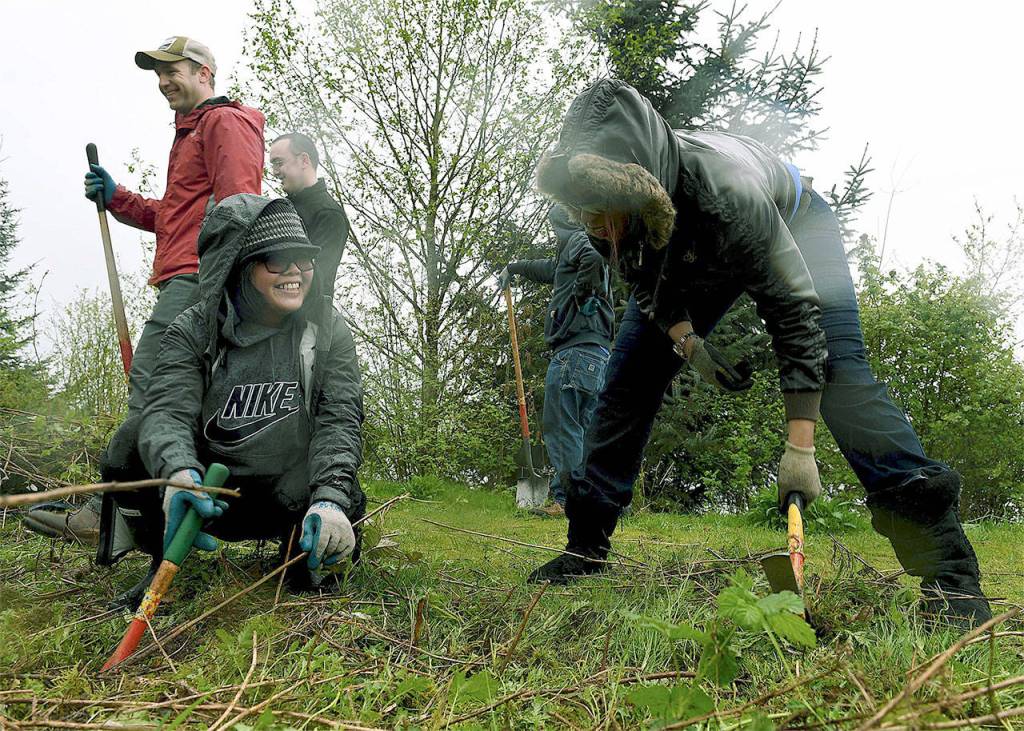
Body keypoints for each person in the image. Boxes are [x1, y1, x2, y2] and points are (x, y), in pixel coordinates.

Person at [525, 79, 991, 629]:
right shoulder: (605, 214)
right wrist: (686, 340)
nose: (595, 225)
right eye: (585, 212)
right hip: (694, 247)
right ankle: (586, 548)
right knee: (627, 382)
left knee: (840, 375)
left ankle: (950, 578)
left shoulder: (728, 194)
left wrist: (801, 447)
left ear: (639, 186)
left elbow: (795, 314)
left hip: (792, 220)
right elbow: (644, 282)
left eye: (605, 210)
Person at [24, 36, 265, 550]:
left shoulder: (223, 122)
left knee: (153, 387)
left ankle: (115, 513)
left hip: (200, 279)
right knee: (164, 393)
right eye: (156, 74)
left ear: (204, 71)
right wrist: (119, 199)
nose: (162, 82)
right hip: (187, 273)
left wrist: (215, 292)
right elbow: (175, 217)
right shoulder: (191, 133)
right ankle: (146, 510)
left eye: (171, 70)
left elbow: (241, 208)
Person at [110, 194, 365, 603]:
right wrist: (178, 472)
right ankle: (161, 559)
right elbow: (167, 412)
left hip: (288, 495)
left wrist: (332, 498)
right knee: (128, 444)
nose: (295, 273)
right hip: (209, 495)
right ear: (239, 266)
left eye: (305, 259)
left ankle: (311, 552)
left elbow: (339, 418)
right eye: (277, 261)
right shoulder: (192, 331)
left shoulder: (327, 329)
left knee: (334, 519)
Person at [498, 206, 613, 517]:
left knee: (561, 428)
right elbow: (551, 268)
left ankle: (568, 500)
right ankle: (591, 500)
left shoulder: (579, 238)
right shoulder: (575, 249)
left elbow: (592, 255)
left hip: (574, 353)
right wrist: (516, 267)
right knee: (583, 430)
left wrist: (581, 294)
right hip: (597, 353)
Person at [268, 132, 351, 290]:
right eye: (273, 165)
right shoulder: (282, 208)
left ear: (304, 160)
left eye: (279, 162)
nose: (275, 172)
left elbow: (315, 282)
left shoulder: (329, 214)